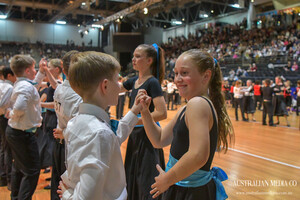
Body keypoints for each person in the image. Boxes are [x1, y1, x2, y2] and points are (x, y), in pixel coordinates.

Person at [137, 49, 234, 199]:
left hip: (190, 192)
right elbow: (159, 139)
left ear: (206, 76)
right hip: (181, 186)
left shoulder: (198, 104)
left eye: (184, 73)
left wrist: (167, 179)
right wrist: (145, 113)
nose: (177, 79)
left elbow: (199, 155)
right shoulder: (187, 107)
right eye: (176, 73)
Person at [58, 51, 142, 199]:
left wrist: (134, 111)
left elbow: (113, 137)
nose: (119, 85)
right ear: (105, 86)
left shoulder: (76, 122)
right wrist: (66, 195)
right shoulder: (98, 133)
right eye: (117, 80)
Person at [120, 44, 167, 200]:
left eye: (138, 56)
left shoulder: (152, 82)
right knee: (133, 176)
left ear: (149, 60)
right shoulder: (134, 80)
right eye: (133, 56)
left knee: (146, 180)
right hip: (135, 135)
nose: (133, 59)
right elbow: (114, 89)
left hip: (148, 136)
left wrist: (136, 120)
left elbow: (161, 113)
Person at [5, 55, 45, 199]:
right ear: (27, 70)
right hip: (22, 134)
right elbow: (20, 107)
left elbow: (34, 85)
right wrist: (13, 113)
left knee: (19, 168)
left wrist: (41, 72)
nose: (35, 71)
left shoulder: (23, 83)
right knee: (32, 171)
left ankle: (15, 197)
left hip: (16, 132)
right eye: (34, 69)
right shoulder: (25, 86)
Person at [44, 51, 82, 200]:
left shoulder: (60, 89)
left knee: (57, 186)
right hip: (71, 146)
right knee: (69, 190)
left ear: (64, 70)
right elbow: (80, 127)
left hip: (60, 145)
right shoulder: (78, 94)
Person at [0, 66, 16, 189]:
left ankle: (3, 177)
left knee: (3, 148)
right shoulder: (9, 87)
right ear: (9, 76)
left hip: (2, 118)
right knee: (7, 150)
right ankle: (9, 178)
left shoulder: (1, 85)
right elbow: (2, 104)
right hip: (4, 118)